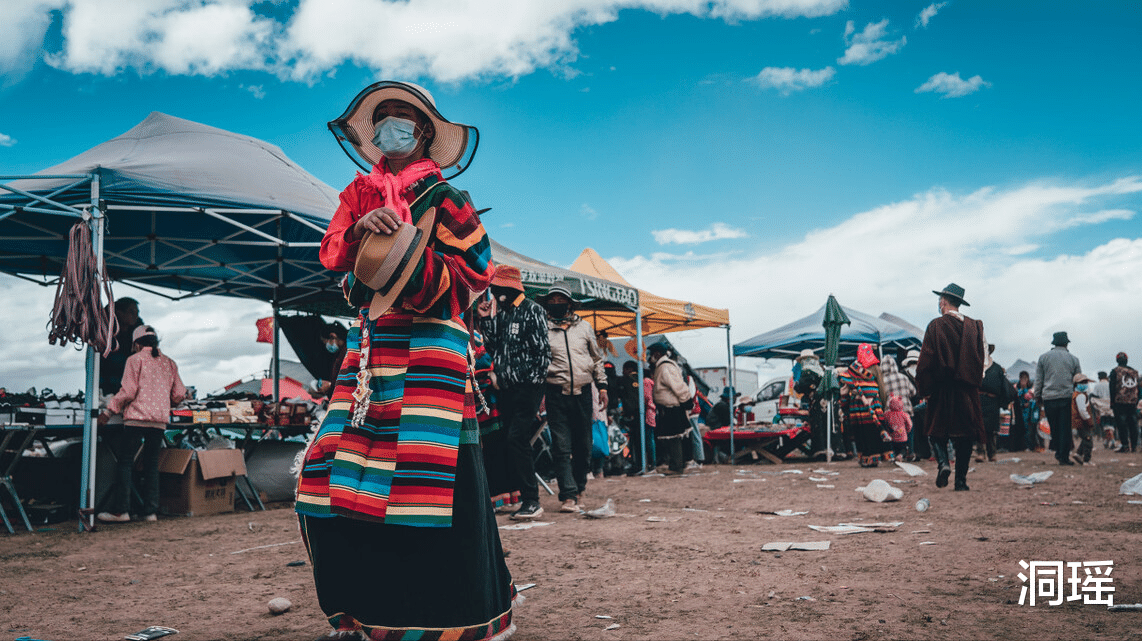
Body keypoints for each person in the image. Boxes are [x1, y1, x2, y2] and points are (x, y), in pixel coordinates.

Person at [294, 81, 515, 640]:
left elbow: (473, 276)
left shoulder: (447, 199)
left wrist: (407, 260)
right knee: (330, 477)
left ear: (423, 134)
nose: (393, 126)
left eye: (405, 118)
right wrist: (366, 244)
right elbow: (337, 260)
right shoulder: (357, 195)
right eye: (384, 118)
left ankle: (448, 618)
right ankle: (363, 609)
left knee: (427, 483)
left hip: (432, 356)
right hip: (370, 354)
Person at [477, 264, 551, 520]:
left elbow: (542, 355)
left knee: (516, 439)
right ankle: (521, 497)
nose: (493, 293)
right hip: (506, 389)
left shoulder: (533, 310)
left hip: (527, 388)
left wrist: (518, 380)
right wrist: (486, 320)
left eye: (496, 288)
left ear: (507, 286)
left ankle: (532, 500)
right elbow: (494, 346)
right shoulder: (505, 313)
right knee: (510, 441)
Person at [97, 325, 186, 523]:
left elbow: (128, 391)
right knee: (151, 465)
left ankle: (122, 510)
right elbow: (180, 393)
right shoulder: (169, 363)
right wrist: (162, 401)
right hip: (159, 421)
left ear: (136, 344)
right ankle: (150, 512)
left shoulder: (134, 360)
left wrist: (108, 411)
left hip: (136, 418)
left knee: (126, 462)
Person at [540, 280, 608, 513]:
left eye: (561, 301)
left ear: (570, 304)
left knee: (584, 446)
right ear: (547, 305)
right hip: (555, 392)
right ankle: (568, 496)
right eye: (553, 301)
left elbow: (597, 359)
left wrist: (603, 386)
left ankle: (579, 489)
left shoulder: (585, 328)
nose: (557, 304)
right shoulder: (542, 328)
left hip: (583, 394)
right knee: (560, 446)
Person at [915, 283, 987, 491]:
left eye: (940, 301)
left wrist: (925, 389)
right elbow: (982, 359)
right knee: (965, 436)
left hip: (942, 388)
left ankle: (944, 463)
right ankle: (961, 482)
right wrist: (974, 382)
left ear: (944, 302)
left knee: (936, 431)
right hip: (967, 390)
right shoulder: (976, 327)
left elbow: (926, 361)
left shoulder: (936, 325)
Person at [1034, 331, 1082, 466]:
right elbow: (1078, 380)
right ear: (1066, 343)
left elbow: (1039, 380)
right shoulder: (1074, 359)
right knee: (1065, 427)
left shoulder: (1043, 358)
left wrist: (1038, 395)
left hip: (1049, 398)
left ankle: (1059, 452)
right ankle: (1063, 455)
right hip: (1066, 397)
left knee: (1054, 427)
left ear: (1053, 344)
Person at [839, 343, 888, 467]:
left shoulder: (852, 368)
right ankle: (874, 458)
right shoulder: (875, 368)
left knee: (860, 431)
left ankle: (863, 458)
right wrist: (882, 404)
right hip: (873, 403)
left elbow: (847, 387)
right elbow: (881, 387)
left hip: (856, 405)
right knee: (872, 431)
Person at [648, 343, 692, 474]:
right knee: (674, 437)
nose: (650, 357)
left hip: (672, 408)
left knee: (673, 438)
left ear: (657, 354)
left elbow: (677, 385)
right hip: (669, 407)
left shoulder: (665, 367)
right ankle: (678, 464)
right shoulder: (663, 367)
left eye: (651, 354)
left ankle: (676, 466)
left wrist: (686, 399)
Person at [99, 297, 144, 395]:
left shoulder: (136, 334)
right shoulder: (104, 334)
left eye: (137, 312)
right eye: (131, 312)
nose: (135, 316)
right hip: (108, 385)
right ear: (119, 313)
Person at [977, 344, 1010, 462]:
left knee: (991, 429)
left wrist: (1003, 403)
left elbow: (1003, 387)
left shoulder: (997, 368)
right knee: (979, 427)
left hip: (993, 402)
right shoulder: (976, 367)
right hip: (979, 400)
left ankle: (992, 453)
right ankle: (980, 452)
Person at [880, 354, 916, 458]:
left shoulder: (882, 380)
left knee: (894, 434)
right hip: (906, 410)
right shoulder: (904, 377)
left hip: (890, 413)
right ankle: (911, 452)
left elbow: (882, 397)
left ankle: (897, 453)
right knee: (909, 432)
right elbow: (913, 392)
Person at [1110, 352, 1140, 453]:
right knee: (1133, 424)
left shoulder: (1115, 371)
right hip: (1132, 401)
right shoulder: (1134, 372)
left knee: (1121, 424)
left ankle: (1125, 445)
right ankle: (1134, 446)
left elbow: (1112, 387)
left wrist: (1112, 402)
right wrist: (1136, 400)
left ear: (1117, 360)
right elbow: (1138, 388)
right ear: (1127, 360)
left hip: (1119, 402)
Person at [315, 322, 348, 397]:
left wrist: (330, 385)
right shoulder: (340, 353)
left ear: (333, 336)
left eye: (325, 343)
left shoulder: (348, 352)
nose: (326, 346)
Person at [1071, 373, 1097, 464]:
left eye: (1085, 382)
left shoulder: (1076, 394)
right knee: (1088, 440)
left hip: (1079, 422)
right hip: (1083, 422)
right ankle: (1086, 460)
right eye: (1082, 382)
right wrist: (1089, 419)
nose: (1085, 384)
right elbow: (1082, 410)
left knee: (1085, 438)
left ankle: (1078, 454)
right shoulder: (1081, 395)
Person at [1016, 371, 1040, 452]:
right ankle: (1023, 446)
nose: (1023, 380)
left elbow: (1034, 398)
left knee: (1031, 429)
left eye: (1025, 379)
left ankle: (1031, 446)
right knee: (1023, 429)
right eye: (1022, 379)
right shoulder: (1017, 388)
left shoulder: (1031, 389)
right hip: (1020, 411)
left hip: (1031, 412)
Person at [883, 395, 912, 460]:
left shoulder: (887, 414)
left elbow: (884, 421)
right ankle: (901, 456)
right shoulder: (904, 414)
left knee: (894, 448)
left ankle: (894, 456)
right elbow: (909, 424)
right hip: (902, 437)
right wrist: (908, 430)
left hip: (892, 437)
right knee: (903, 448)